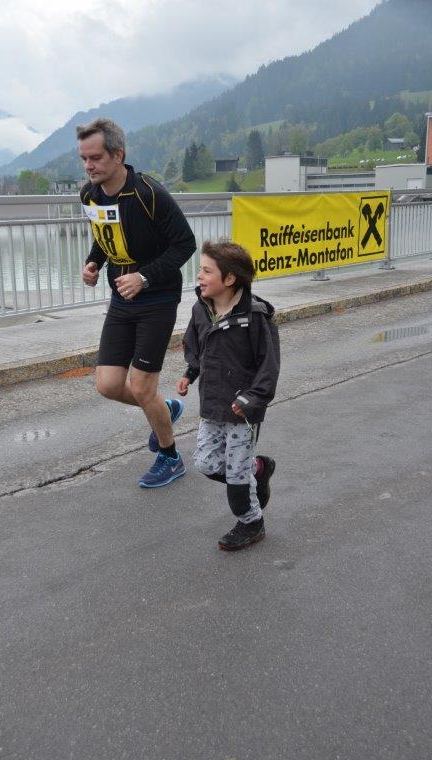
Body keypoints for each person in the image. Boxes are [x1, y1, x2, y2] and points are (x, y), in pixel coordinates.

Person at [77, 118, 197, 488]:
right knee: (109, 385)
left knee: (143, 387)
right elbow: (105, 235)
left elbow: (185, 244)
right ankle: (165, 408)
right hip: (122, 300)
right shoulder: (90, 195)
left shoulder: (149, 194)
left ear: (118, 155)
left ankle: (170, 457)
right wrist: (94, 262)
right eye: (83, 159)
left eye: (95, 157)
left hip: (157, 298)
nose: (88, 166)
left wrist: (144, 277)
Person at [176, 239, 280, 550]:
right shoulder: (200, 309)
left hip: (242, 412)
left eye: (207, 271)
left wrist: (250, 399)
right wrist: (189, 374)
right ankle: (257, 470)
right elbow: (198, 348)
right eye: (200, 270)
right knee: (206, 463)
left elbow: (269, 366)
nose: (199, 276)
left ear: (230, 278)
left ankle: (251, 522)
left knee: (236, 476)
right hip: (212, 404)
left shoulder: (255, 316)